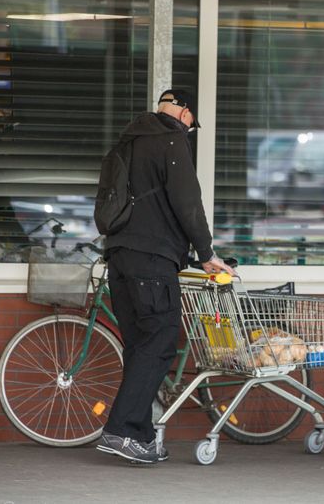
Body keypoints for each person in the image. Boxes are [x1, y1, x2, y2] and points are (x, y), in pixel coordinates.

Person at [96, 89, 234, 464]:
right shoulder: (171, 140)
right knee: (159, 342)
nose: (190, 130)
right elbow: (186, 201)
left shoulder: (128, 141)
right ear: (185, 113)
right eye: (192, 123)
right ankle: (121, 431)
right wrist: (206, 254)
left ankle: (137, 436)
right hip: (151, 261)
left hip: (120, 256)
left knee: (141, 347)